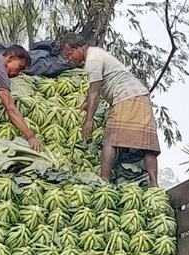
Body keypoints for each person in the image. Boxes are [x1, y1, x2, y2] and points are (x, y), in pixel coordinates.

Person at [59, 34, 161, 187]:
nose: (69, 59)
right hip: (141, 95)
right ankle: (154, 184)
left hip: (125, 97)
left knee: (110, 140)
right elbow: (96, 88)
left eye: (70, 54)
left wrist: (89, 120)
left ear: (80, 47)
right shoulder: (97, 53)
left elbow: (95, 92)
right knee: (147, 143)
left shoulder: (92, 60)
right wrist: (87, 102)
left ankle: (104, 182)